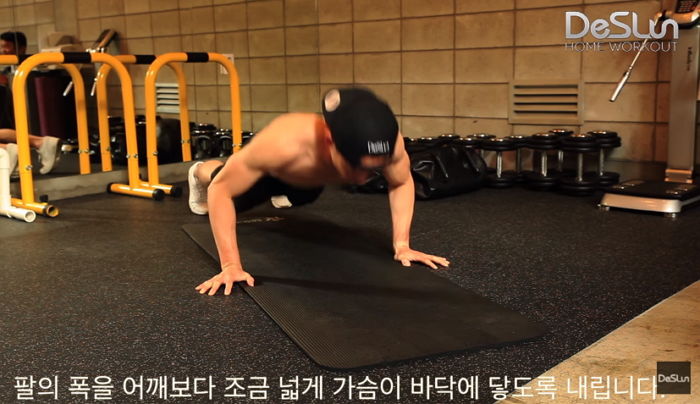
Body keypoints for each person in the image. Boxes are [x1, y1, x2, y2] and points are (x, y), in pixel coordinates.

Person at [189, 87, 450, 296]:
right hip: (272, 174)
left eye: (372, 170)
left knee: (306, 193)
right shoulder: (283, 143)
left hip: (306, 182)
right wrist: (230, 266)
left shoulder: (390, 146)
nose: (362, 179)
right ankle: (199, 171)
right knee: (227, 187)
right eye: (355, 166)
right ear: (329, 141)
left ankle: (292, 189)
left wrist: (402, 245)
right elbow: (221, 190)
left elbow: (401, 182)